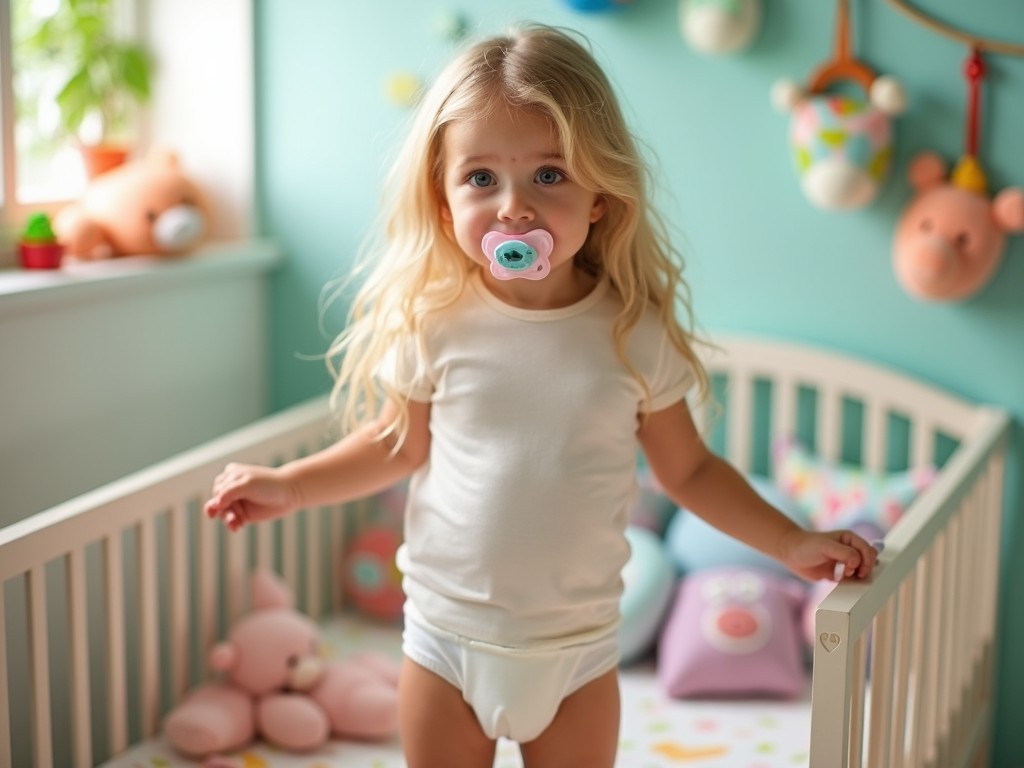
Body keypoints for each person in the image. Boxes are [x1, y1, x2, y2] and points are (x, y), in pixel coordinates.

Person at [204, 23, 878, 768]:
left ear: (598, 195)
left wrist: (790, 542)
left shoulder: (630, 333)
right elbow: (397, 444)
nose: (514, 208)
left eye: (549, 176)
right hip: (444, 643)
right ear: (443, 197)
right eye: (482, 178)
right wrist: (288, 486)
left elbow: (689, 472)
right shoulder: (435, 325)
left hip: (577, 655)